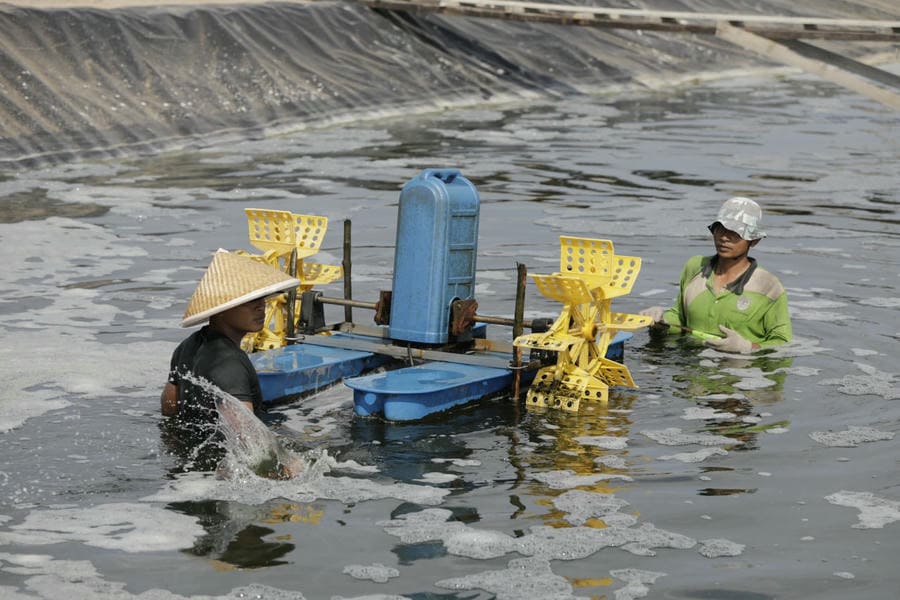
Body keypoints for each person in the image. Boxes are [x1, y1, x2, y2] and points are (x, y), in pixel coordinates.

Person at [160, 249, 301, 472]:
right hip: (222, 472)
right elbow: (250, 445)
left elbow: (169, 408)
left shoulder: (188, 345)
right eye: (250, 300)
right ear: (223, 309)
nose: (261, 306)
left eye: (262, 298)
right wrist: (286, 473)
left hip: (192, 464)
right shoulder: (230, 363)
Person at [641, 197, 791, 353]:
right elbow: (680, 317)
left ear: (754, 240)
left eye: (735, 232)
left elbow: (783, 344)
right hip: (691, 369)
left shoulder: (769, 286)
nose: (724, 237)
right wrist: (661, 321)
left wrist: (747, 348)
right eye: (720, 228)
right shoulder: (695, 267)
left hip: (742, 373)